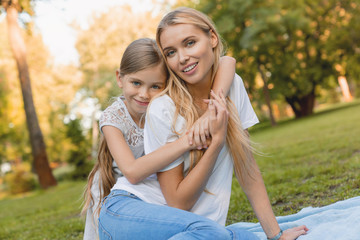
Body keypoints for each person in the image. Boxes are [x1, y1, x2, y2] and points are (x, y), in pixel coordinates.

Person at [143, 7, 309, 240]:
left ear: (212, 37)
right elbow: (176, 204)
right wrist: (216, 141)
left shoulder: (233, 85)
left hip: (206, 230)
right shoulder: (163, 109)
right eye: (171, 52)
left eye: (190, 43)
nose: (182, 58)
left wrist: (275, 235)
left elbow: (246, 167)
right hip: (162, 225)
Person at [82, 37, 237, 240]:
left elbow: (228, 62)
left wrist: (211, 111)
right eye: (136, 83)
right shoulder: (113, 118)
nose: (144, 94)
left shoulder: (164, 106)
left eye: (155, 86)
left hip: (158, 191)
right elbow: (132, 172)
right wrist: (187, 141)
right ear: (120, 78)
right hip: (123, 192)